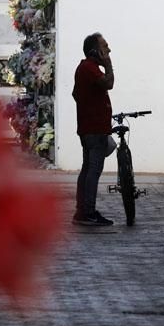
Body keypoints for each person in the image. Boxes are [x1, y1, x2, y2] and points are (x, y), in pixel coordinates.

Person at [72, 32, 115, 226]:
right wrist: (108, 65)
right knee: (93, 170)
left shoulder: (84, 68)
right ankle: (87, 211)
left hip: (89, 126)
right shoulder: (89, 68)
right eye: (105, 47)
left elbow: (76, 94)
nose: (108, 50)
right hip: (95, 128)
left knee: (87, 168)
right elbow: (109, 83)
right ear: (94, 51)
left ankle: (82, 210)